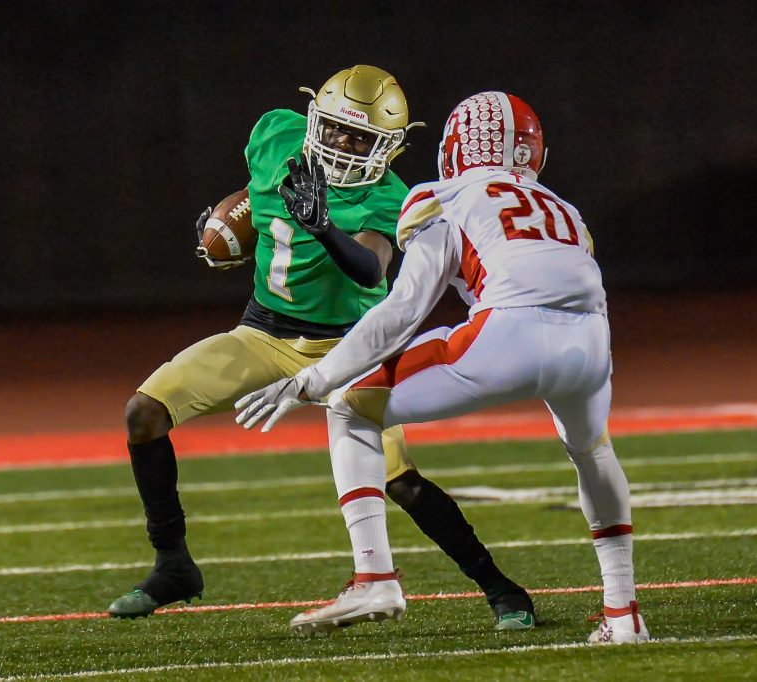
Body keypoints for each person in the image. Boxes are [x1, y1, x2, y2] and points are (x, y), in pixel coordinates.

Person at [110, 68, 534, 631]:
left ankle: (500, 588)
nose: (343, 144)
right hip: (262, 334)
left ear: (389, 146)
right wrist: (227, 227)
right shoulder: (275, 136)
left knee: (398, 479)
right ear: (315, 120)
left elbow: (370, 267)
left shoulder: (393, 197)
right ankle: (173, 565)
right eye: (335, 129)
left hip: (348, 351)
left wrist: (325, 227)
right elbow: (260, 201)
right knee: (144, 412)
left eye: (361, 138)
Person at [235, 91, 649, 644]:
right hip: (591, 342)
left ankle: (374, 578)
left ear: (453, 149)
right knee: (593, 454)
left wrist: (313, 378)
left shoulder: (443, 195)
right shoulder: (565, 210)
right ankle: (623, 614)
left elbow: (403, 311)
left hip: (507, 333)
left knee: (350, 404)